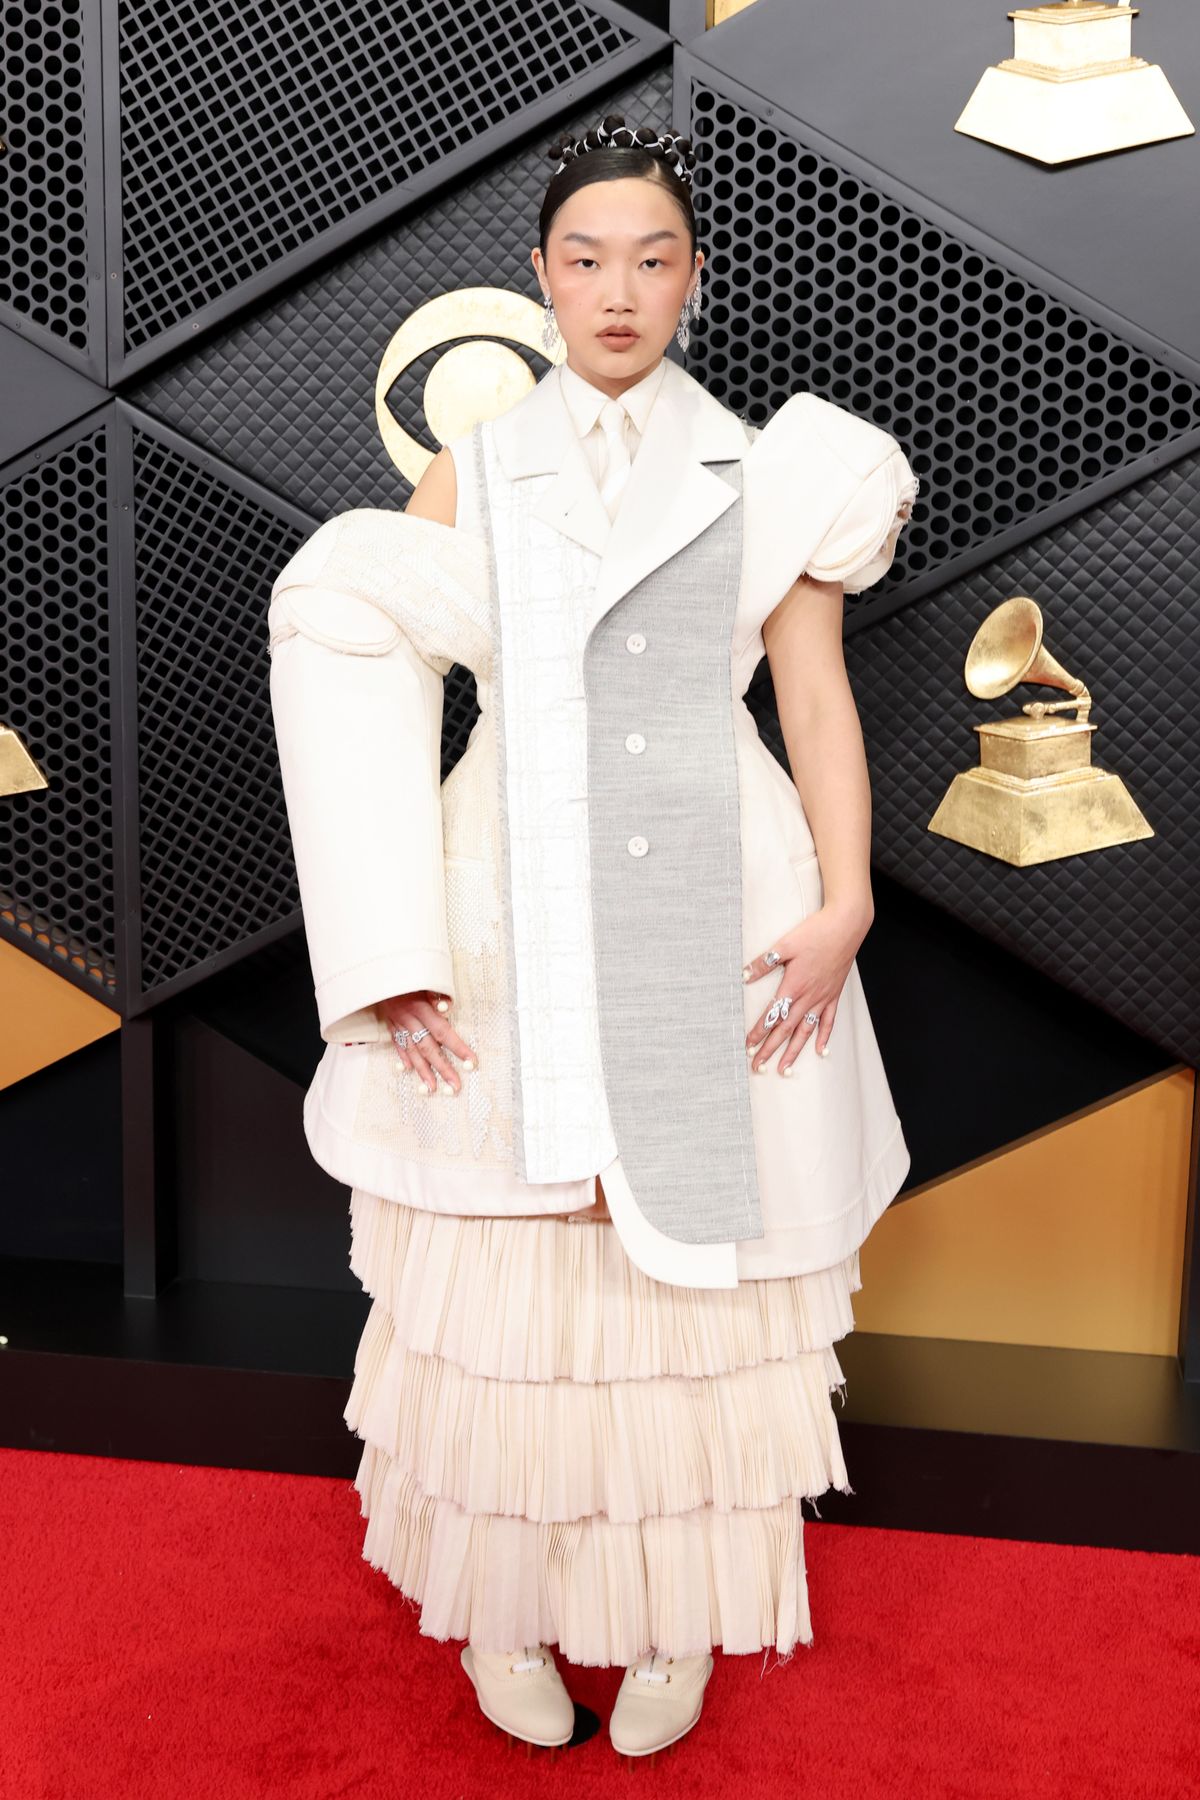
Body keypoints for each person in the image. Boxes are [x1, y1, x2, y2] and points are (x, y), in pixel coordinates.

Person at [266, 111, 919, 1764]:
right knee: (512, 1273)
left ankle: (675, 1619)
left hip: (724, 891)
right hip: (507, 891)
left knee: (692, 1290)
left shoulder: (774, 470)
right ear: (542, 277)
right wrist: (385, 940)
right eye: (585, 258)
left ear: (693, 277)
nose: (618, 291)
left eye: (651, 259)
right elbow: (365, 662)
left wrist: (846, 898)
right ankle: (503, 1616)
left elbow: (816, 701)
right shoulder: (476, 465)